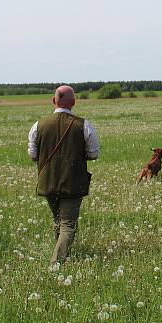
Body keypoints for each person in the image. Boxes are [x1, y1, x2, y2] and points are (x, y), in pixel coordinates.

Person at [28, 85, 100, 266]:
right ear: (73, 103)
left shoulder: (38, 125)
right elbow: (93, 154)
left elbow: (33, 155)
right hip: (73, 182)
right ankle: (56, 264)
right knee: (68, 224)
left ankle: (60, 253)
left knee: (58, 220)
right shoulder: (84, 125)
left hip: (48, 181)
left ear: (54, 101)